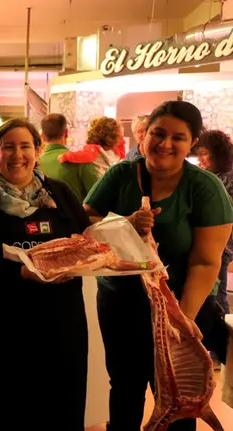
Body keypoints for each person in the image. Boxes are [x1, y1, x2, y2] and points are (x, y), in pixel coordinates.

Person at [84, 101, 233, 431]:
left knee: (175, 396)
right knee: (123, 388)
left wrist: (181, 320)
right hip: (120, 304)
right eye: (158, 133)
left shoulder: (205, 189)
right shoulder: (121, 174)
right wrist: (125, 223)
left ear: (193, 142)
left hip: (181, 306)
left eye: (178, 137)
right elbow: (85, 222)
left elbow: (207, 261)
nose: (165, 144)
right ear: (144, 135)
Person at [0, 118, 91, 430]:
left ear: (38, 151)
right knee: (6, 408)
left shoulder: (58, 193)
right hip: (3, 325)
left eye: (25, 146)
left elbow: (88, 240)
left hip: (61, 323)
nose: (17, 155)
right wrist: (19, 272)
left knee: (61, 406)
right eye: (8, 147)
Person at [194, 129, 233, 314]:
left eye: (204, 154)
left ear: (217, 155)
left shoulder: (226, 179)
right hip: (217, 243)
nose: (200, 159)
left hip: (222, 243)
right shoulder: (216, 176)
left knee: (217, 295)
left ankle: (224, 338)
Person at [38, 113, 99, 201]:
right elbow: (97, 198)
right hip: (75, 214)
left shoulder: (33, 165)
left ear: (42, 137)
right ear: (66, 133)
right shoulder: (81, 161)